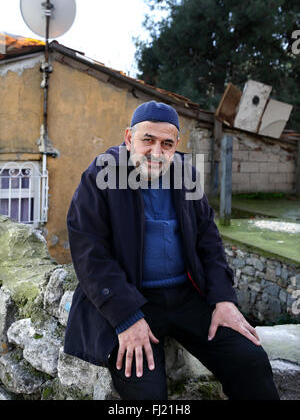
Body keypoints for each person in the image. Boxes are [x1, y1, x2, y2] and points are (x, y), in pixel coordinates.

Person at [64, 100, 280, 400]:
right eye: (147, 140)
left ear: (177, 144)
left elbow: (209, 241)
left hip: (185, 296)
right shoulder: (100, 175)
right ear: (129, 138)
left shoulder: (186, 175)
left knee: (250, 360)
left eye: (167, 144)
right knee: (146, 393)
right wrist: (125, 317)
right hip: (131, 299)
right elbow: (89, 251)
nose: (157, 152)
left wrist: (223, 299)